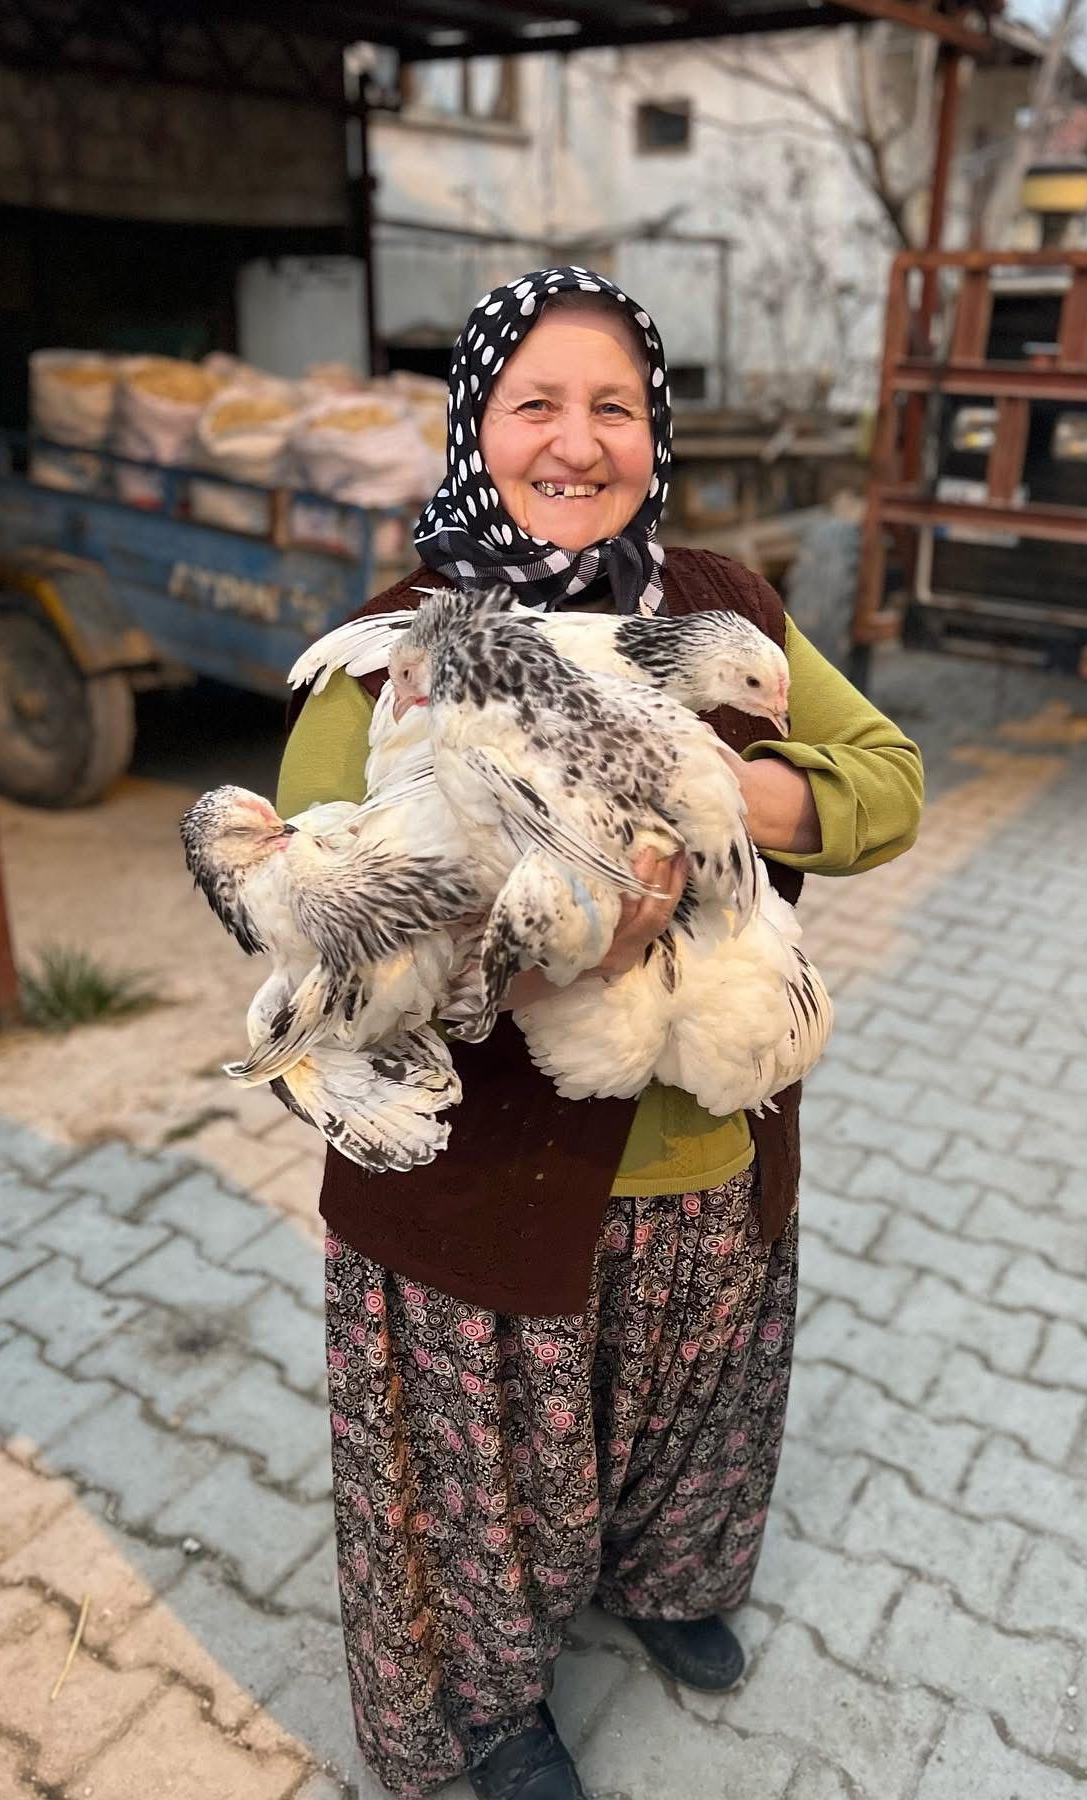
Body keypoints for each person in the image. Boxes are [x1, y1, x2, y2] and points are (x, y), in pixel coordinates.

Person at [278, 267, 922, 1800]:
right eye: (537, 405)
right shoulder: (394, 648)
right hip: (480, 1189)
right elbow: (311, 922)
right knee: (484, 1483)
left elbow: (887, 778)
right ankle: (487, 1712)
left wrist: (715, 791)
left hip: (706, 1146)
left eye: (616, 407)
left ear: (657, 432)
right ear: (474, 427)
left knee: (694, 1407)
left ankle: (668, 1579)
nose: (578, 442)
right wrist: (528, 949)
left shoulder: (721, 604)